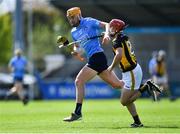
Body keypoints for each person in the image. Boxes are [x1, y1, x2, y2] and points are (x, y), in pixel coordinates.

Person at [63, 7, 160, 125]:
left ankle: (78, 112)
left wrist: (106, 35)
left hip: (97, 57)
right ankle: (144, 88)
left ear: (79, 15)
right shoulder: (73, 32)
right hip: (94, 59)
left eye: (72, 17)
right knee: (118, 85)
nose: (71, 20)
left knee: (79, 81)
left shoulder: (88, 21)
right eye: (69, 18)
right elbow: (79, 48)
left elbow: (107, 24)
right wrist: (75, 51)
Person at [107, 19, 161, 127]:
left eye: (112, 27)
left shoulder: (117, 41)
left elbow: (119, 55)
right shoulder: (121, 37)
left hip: (131, 72)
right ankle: (137, 122)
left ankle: (146, 86)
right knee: (128, 101)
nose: (110, 29)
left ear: (117, 29)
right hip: (130, 71)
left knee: (124, 101)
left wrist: (111, 68)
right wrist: (110, 34)